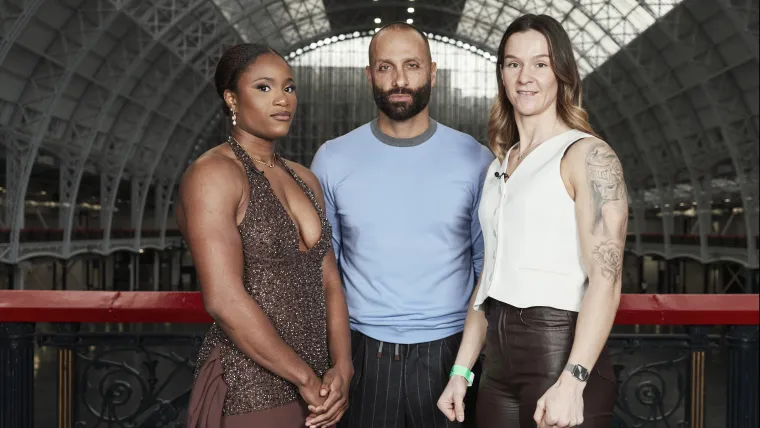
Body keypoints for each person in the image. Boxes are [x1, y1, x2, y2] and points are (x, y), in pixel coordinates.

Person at [437, 14, 626, 428]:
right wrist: (461, 372)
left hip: (560, 353)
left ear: (562, 74)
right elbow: (489, 278)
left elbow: (606, 280)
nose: (525, 77)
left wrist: (573, 381)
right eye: (513, 63)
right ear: (502, 75)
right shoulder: (499, 166)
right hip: (498, 365)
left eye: (540, 64)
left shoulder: (587, 155)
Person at [310, 23, 494, 428]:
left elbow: (488, 269)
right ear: (369, 75)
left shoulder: (476, 159)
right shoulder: (332, 159)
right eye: (385, 67)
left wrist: (471, 361)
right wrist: (334, 360)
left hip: (452, 354)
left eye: (412, 66)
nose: (399, 80)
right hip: (361, 352)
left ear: (432, 72)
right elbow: (325, 273)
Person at [179, 43, 352, 428]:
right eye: (264, 87)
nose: (282, 99)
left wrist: (343, 366)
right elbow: (223, 299)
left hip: (320, 391)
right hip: (251, 390)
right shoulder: (213, 174)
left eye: (289, 88)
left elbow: (329, 282)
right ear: (231, 98)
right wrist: (305, 379)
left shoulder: (305, 179)